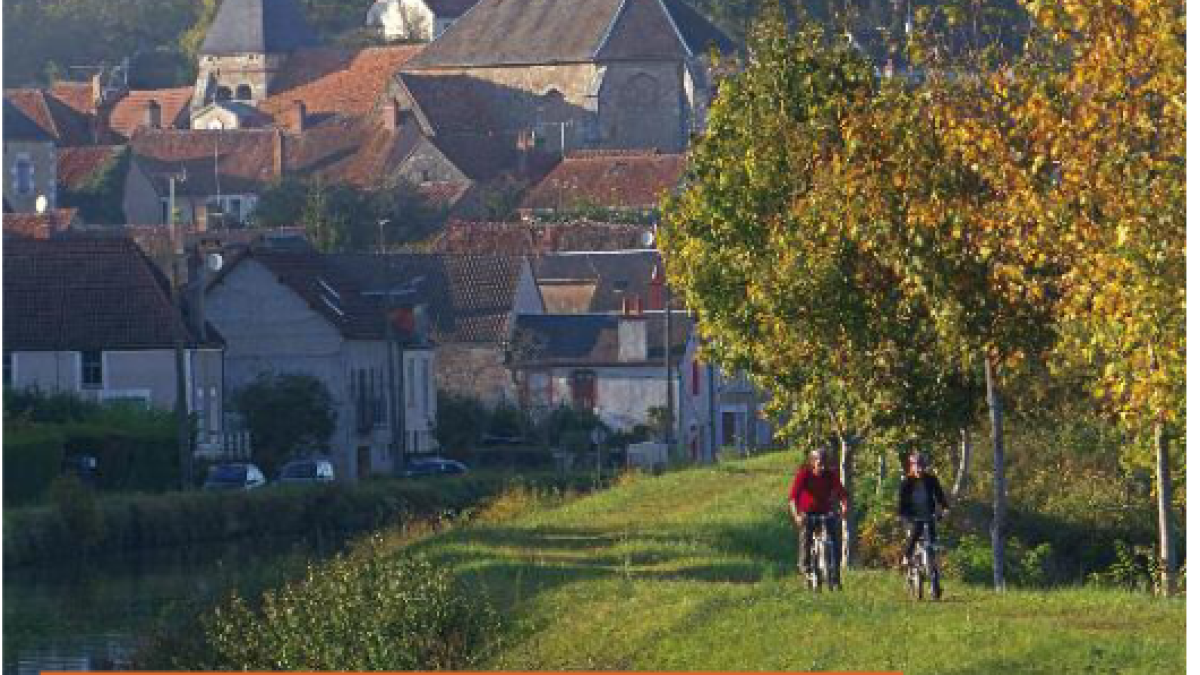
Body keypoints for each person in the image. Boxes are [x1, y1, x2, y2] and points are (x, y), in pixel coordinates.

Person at [788, 447, 849, 576]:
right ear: (812, 462)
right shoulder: (804, 474)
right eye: (820, 464)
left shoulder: (831, 475)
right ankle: (806, 568)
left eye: (824, 464)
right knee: (806, 537)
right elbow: (793, 498)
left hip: (825, 511)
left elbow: (842, 493)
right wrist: (796, 516)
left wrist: (844, 507)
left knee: (835, 538)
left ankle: (836, 572)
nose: (822, 467)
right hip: (807, 512)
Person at [898, 451, 950, 566]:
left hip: (928, 513)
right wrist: (903, 516)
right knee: (917, 530)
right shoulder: (907, 482)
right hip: (912, 515)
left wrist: (945, 508)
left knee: (932, 534)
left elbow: (939, 495)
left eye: (922, 466)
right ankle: (907, 555)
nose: (920, 469)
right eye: (917, 466)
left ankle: (933, 564)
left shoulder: (931, 479)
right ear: (912, 466)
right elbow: (901, 502)